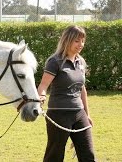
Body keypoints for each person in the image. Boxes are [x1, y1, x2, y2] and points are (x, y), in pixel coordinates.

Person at [37, 25, 96, 162]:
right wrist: (41, 96)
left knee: (88, 155)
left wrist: (87, 115)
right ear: (67, 40)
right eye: (76, 41)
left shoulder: (81, 62)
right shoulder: (55, 61)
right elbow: (43, 85)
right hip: (58, 114)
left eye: (82, 41)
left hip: (79, 113)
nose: (80, 44)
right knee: (55, 156)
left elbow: (82, 89)